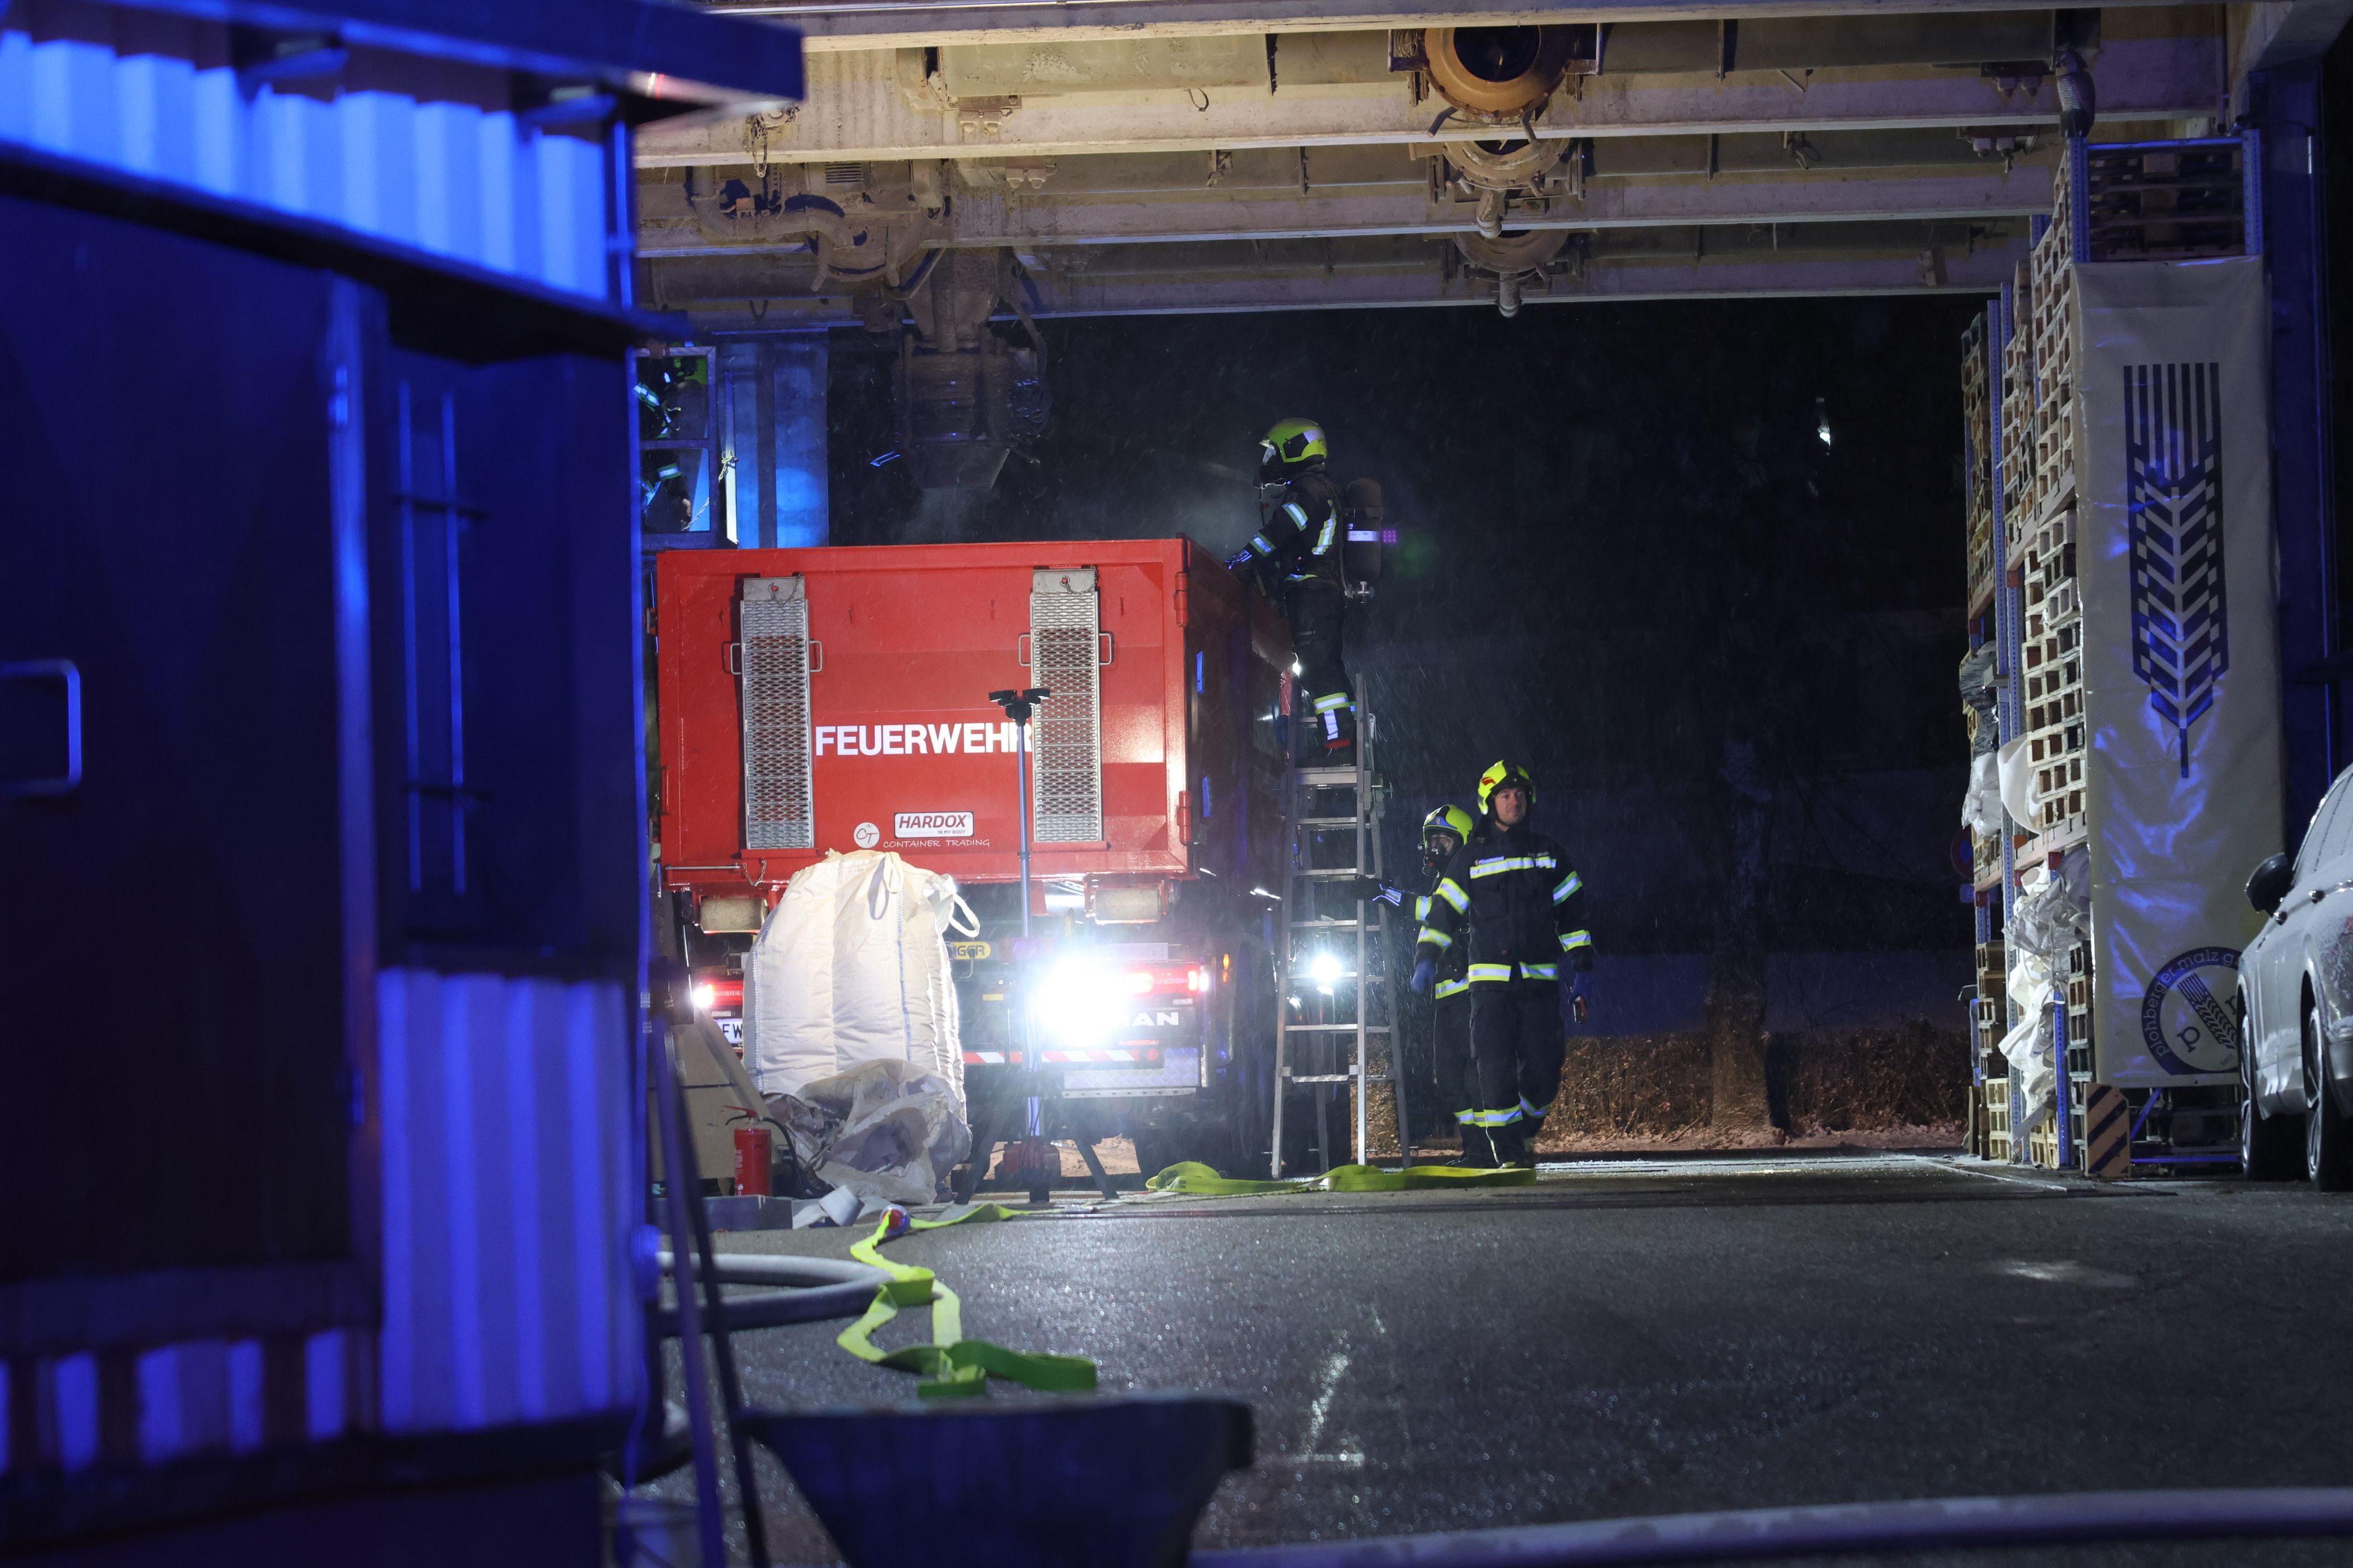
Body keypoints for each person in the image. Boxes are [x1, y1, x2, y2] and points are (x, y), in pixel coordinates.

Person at [1411, 760, 1593, 1166]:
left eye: (1520, 795)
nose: (1515, 802)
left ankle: (1522, 1130)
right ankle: (1507, 1155)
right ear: (1490, 804)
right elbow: (1444, 913)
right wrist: (1427, 958)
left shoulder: (1549, 854)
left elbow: (1574, 915)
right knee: (1491, 1073)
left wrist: (1583, 971)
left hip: (1539, 986)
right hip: (1490, 991)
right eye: (1506, 796)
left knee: (1545, 1072)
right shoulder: (1471, 858)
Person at [1228, 418, 1356, 763]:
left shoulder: (1308, 491)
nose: (1268, 458)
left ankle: (1339, 743)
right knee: (1328, 667)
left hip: (1311, 593)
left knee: (1317, 669)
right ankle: (1343, 738)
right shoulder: (1322, 488)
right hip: (1323, 593)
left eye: (1273, 450)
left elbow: (1280, 531)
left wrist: (1240, 561)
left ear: (1293, 449)